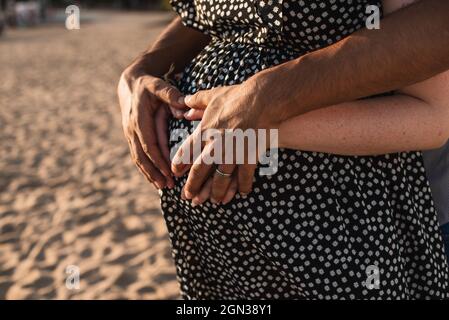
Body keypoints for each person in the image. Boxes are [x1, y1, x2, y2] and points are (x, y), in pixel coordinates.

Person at [118, 0, 449, 299]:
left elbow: (433, 107)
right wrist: (140, 70)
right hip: (219, 247)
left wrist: (263, 116)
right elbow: (218, 14)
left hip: (338, 234)